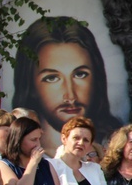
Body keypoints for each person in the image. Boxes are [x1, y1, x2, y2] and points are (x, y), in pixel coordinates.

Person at [13, 16, 123, 156]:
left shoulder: (114, 147)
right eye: (52, 78)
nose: (70, 96)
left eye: (80, 75)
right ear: (30, 84)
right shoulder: (22, 159)